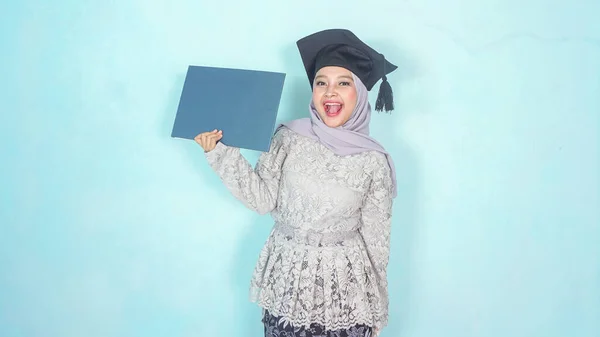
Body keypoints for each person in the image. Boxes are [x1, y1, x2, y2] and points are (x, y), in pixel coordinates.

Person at [195, 29, 398, 337]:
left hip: (346, 294)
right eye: (321, 83)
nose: (330, 92)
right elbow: (263, 199)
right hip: (288, 286)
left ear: (359, 92)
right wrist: (220, 153)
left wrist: (378, 310)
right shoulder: (288, 138)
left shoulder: (373, 161)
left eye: (343, 83)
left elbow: (377, 244)